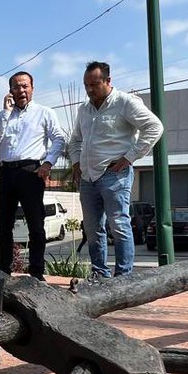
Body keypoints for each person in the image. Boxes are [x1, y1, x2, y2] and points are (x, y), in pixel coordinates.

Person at [67, 61, 164, 279]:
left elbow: (155, 127)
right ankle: (100, 275)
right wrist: (75, 163)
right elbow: (75, 140)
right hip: (87, 178)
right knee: (92, 230)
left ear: (108, 81)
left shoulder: (125, 103)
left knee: (119, 226)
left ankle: (123, 278)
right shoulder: (84, 109)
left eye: (95, 84)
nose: (90, 90)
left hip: (114, 175)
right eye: (86, 85)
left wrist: (130, 157)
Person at [0, 71, 68, 279]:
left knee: (36, 224)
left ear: (32, 88)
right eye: (16, 87)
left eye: (25, 86)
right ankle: (3, 270)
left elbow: (58, 138)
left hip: (31, 172)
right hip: (6, 172)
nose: (21, 90)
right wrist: (5, 113)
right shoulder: (4, 115)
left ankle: (37, 271)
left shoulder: (45, 112)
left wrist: (48, 163)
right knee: (3, 225)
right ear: (10, 90)